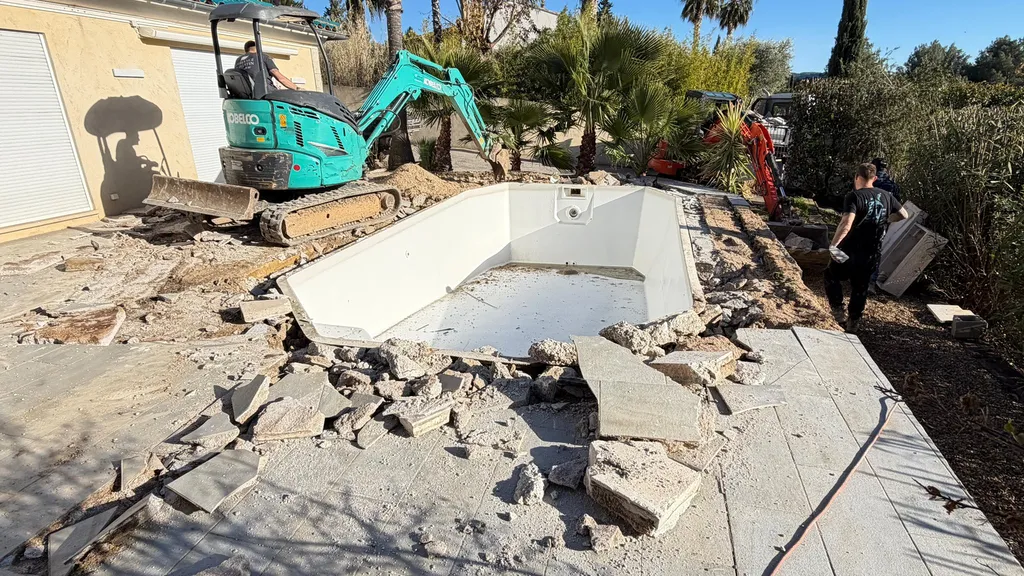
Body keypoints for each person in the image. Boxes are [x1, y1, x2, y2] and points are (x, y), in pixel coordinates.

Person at [825, 163, 909, 334]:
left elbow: (846, 223)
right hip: (872, 252)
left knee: (831, 275)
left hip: (849, 250)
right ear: (875, 179)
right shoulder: (887, 196)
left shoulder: (854, 196)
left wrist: (833, 245)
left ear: (857, 177)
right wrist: (885, 219)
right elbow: (904, 214)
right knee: (860, 287)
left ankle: (838, 312)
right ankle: (853, 323)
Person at [235, 41, 299, 91]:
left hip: (248, 93)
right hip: (264, 91)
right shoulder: (262, 56)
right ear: (258, 48)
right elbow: (279, 77)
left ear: (246, 50)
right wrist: (296, 88)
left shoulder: (238, 61)